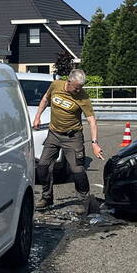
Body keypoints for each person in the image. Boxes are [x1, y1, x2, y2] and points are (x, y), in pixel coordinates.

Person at [31, 69, 104, 213]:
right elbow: (45, 99)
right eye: (76, 87)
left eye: (80, 88)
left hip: (73, 137)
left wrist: (94, 143)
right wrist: (38, 116)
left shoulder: (82, 97)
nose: (78, 90)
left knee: (78, 170)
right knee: (42, 166)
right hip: (53, 134)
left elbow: (91, 120)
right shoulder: (56, 85)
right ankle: (47, 197)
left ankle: (85, 201)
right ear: (68, 82)